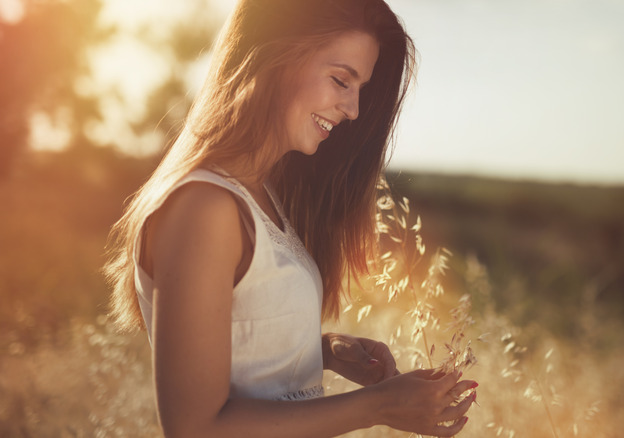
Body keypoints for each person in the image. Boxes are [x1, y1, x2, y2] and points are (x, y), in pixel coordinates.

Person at [103, 0, 477, 436]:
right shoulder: (205, 207)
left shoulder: (262, 197)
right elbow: (194, 428)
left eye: (360, 88)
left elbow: (242, 357)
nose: (353, 109)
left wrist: (321, 352)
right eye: (341, 80)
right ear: (271, 56)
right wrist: (378, 405)